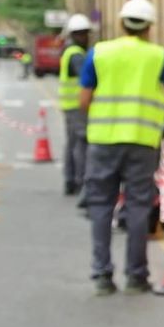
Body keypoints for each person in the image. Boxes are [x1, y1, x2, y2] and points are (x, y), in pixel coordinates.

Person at [80, 0, 164, 295]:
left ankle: (102, 275)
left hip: (102, 142)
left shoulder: (99, 54)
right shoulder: (157, 56)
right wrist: (163, 102)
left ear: (120, 23)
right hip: (142, 143)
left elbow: (84, 100)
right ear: (149, 27)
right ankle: (136, 276)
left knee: (101, 205)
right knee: (138, 206)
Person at [58, 14, 93, 199]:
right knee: (81, 144)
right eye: (83, 34)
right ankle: (80, 182)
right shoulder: (76, 55)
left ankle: (70, 180)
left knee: (72, 144)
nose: (85, 38)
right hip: (77, 107)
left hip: (70, 106)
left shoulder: (68, 51)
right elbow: (87, 79)